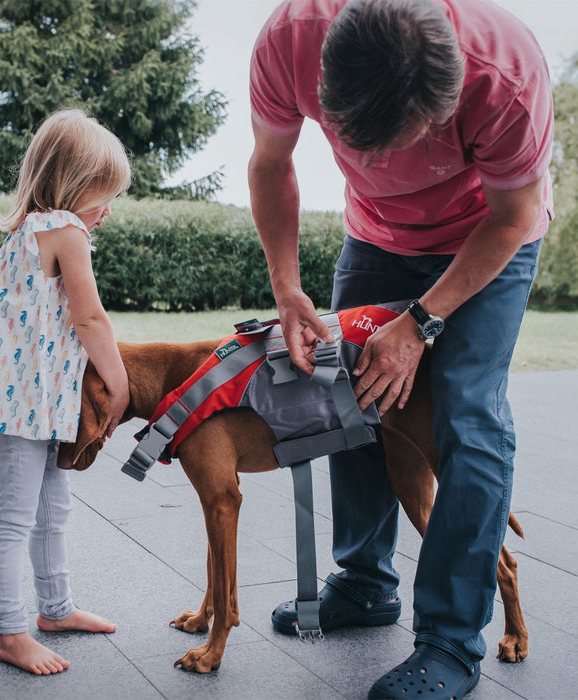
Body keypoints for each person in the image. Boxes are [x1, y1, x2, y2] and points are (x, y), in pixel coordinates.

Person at [248, 0, 553, 697]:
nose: (380, 163)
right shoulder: (289, 40)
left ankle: (449, 641)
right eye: (359, 146)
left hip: (488, 236)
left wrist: (420, 325)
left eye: (397, 143)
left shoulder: (504, 74)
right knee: (347, 389)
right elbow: (271, 163)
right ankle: (363, 584)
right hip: (378, 238)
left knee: (468, 412)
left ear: (446, 104)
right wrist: (287, 288)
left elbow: (514, 215)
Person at [0, 109, 132, 675]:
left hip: (35, 405)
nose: (106, 210)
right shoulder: (65, 230)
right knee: (16, 520)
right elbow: (89, 318)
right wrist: (119, 380)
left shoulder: (26, 230)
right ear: (73, 183)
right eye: (103, 195)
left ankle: (55, 608)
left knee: (52, 512)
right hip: (21, 410)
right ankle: (10, 633)